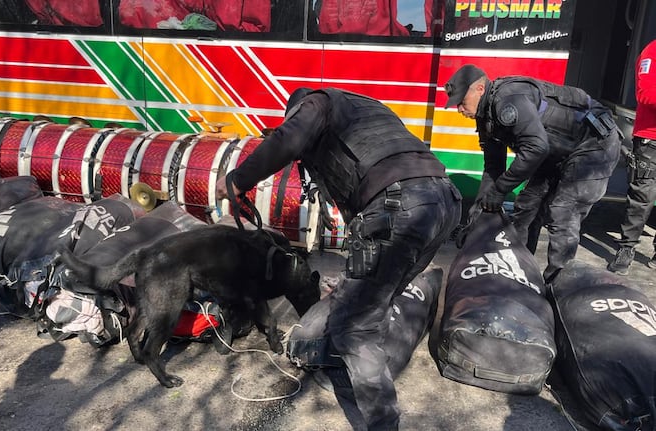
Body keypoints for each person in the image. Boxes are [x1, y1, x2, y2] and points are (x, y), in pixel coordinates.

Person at [216, 88, 461, 429]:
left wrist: (237, 181)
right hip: (444, 201)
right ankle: (358, 364)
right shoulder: (368, 107)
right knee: (378, 296)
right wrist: (356, 276)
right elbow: (359, 187)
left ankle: (381, 421)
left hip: (402, 207)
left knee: (354, 326)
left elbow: (286, 140)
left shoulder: (317, 103)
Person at [445, 64, 622, 283]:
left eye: (462, 102)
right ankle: (518, 272)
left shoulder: (508, 101)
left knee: (563, 212)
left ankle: (557, 285)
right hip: (555, 150)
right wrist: (476, 218)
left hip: (593, 145)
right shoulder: (485, 115)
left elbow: (536, 148)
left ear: (480, 89)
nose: (460, 110)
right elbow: (493, 167)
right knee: (527, 205)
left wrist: (501, 190)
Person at [608, 39, 656, 275]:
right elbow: (645, 94)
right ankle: (626, 248)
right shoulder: (652, 51)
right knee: (642, 196)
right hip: (651, 138)